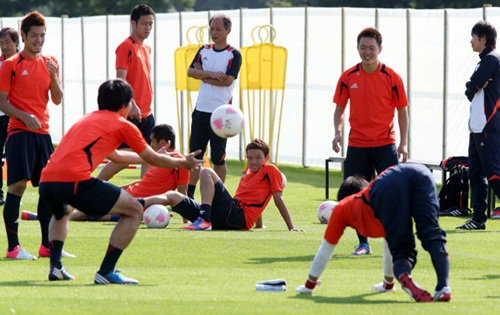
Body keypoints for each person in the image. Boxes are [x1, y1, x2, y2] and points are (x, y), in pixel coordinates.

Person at [39, 79, 201, 284]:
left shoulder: (87, 119)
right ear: (126, 104)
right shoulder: (122, 125)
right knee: (134, 210)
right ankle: (106, 271)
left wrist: (154, 156)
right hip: (75, 180)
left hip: (48, 180)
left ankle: (56, 267)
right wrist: (182, 162)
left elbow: (117, 156)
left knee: (61, 212)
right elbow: (153, 159)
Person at [296, 163, 451, 303]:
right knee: (431, 233)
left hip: (388, 186)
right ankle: (444, 287)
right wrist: (388, 284)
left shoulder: (343, 208)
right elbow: (387, 246)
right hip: (421, 173)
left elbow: (326, 249)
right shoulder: (371, 195)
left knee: (403, 251)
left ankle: (404, 275)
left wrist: (309, 285)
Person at [332, 27, 409, 255]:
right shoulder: (348, 77)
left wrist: (403, 143)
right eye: (363, 48)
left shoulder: (392, 77)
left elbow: (402, 112)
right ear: (357, 49)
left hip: (385, 145)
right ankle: (363, 243)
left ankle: (395, 241)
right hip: (357, 145)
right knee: (354, 196)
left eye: (372, 48)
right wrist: (337, 132)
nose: (367, 52)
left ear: (380, 49)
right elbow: (339, 110)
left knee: (392, 193)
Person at [22, 124, 190, 223]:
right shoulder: (157, 158)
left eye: (151, 141)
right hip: (130, 196)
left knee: (89, 213)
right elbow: (145, 183)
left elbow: (181, 194)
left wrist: (187, 221)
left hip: (137, 204)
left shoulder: (178, 163)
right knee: (86, 200)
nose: (149, 144)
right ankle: (48, 214)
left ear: (163, 142)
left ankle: (46, 218)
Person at [0, 12, 65, 260]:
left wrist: (53, 76)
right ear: (24, 36)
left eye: (42, 36)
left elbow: (58, 99)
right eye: (34, 36)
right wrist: (24, 116)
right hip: (19, 133)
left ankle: (47, 245)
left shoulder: (51, 62)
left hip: (43, 134)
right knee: (16, 187)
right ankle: (13, 248)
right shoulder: (10, 64)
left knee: (48, 189)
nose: (39, 40)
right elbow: (1, 102)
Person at [148, 138, 301, 232]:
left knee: (206, 172)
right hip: (225, 216)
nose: (254, 161)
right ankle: (135, 206)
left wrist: (291, 226)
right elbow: (257, 201)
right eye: (250, 158)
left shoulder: (270, 169)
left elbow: (277, 198)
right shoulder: (248, 173)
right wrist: (258, 225)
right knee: (173, 195)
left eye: (258, 158)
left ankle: (204, 217)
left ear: (267, 158)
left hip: (236, 216)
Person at [186, 13, 242, 199]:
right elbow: (190, 71)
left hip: (221, 115)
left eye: (218, 29)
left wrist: (203, 76)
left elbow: (227, 81)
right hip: (200, 111)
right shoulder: (204, 50)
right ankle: (190, 196)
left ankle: (218, 196)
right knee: (195, 157)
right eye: (212, 28)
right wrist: (210, 74)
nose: (214, 32)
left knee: (218, 158)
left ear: (228, 30)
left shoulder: (234, 54)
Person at [98, 4, 155, 181]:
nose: (148, 28)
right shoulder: (125, 46)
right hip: (132, 112)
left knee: (149, 155)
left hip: (147, 112)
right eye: (144, 23)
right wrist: (132, 105)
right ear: (133, 24)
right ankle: (94, 186)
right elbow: (120, 79)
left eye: (151, 24)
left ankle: (144, 195)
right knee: (123, 157)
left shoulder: (146, 48)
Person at [457, 20, 500, 229]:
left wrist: (474, 85)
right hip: (476, 128)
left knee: (493, 172)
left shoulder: (492, 59)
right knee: (476, 173)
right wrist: (473, 85)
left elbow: (472, 85)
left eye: (473, 37)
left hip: (487, 126)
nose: (471, 41)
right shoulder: (482, 61)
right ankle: (478, 219)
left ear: (483, 38)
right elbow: (469, 91)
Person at [0, 27, 20, 206]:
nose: (4, 47)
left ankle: (15, 196)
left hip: (19, 116)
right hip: (1, 116)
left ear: (16, 42)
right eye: (1, 43)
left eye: (7, 42)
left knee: (16, 156)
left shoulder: (25, 62)